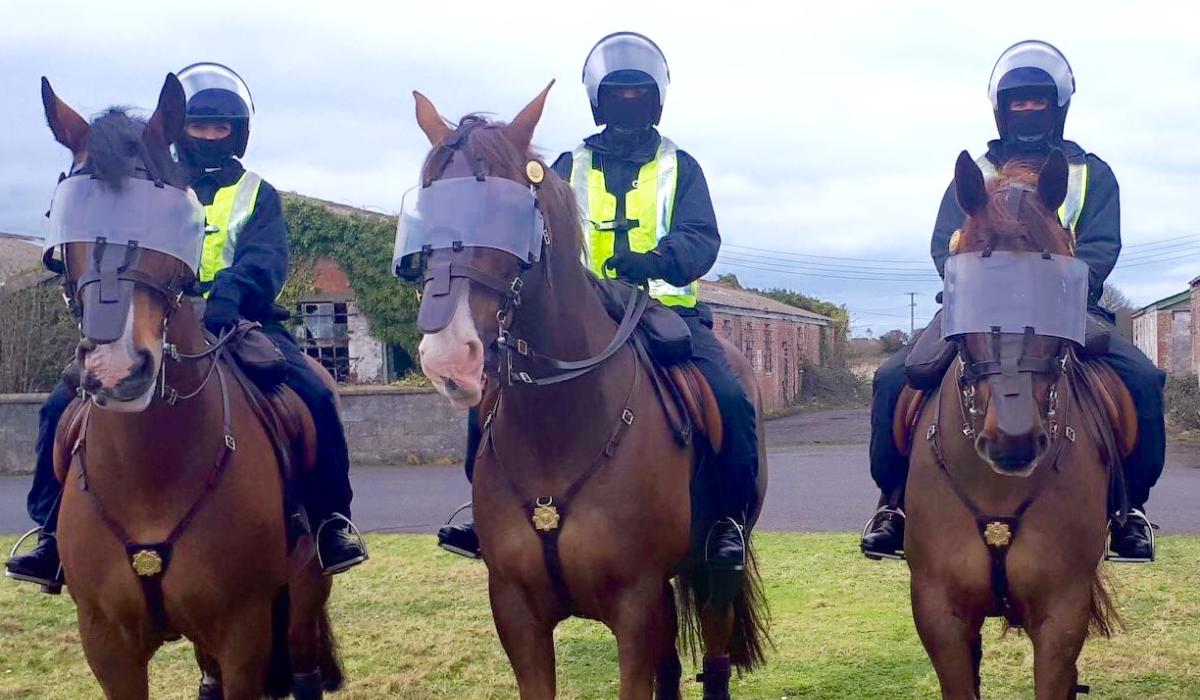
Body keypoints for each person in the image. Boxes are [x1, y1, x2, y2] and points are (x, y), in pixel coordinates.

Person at [5, 63, 366, 589]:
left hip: (242, 319)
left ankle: (331, 521)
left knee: (312, 392)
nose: (209, 136)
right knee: (60, 406)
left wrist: (234, 294)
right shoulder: (148, 183)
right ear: (181, 130)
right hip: (156, 317)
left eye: (220, 128)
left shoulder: (257, 192)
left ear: (236, 133)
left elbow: (267, 258)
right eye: (199, 127)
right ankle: (50, 535)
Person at [437, 32, 759, 581]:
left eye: (637, 93)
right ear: (599, 101)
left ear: (655, 99)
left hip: (663, 310)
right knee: (493, 390)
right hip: (582, 310)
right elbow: (529, 232)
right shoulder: (565, 165)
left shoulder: (683, 166)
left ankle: (728, 518)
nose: (627, 103)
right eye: (617, 94)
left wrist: (655, 258)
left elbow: (703, 239)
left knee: (727, 393)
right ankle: (482, 510)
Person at [860, 40, 1163, 563]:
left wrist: (1057, 287)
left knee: (1141, 379)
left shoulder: (1092, 174)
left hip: (1066, 309)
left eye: (1037, 100)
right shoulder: (973, 170)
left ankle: (1129, 509)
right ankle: (893, 506)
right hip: (977, 311)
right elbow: (945, 244)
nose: (1027, 110)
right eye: (1017, 101)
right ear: (1001, 109)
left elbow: (1100, 246)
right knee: (893, 378)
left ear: (1058, 106)